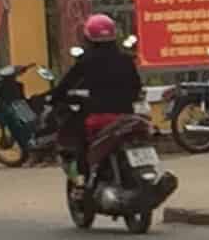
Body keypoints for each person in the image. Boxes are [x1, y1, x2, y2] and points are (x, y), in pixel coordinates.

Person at [50, 14, 143, 190]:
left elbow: (66, 84)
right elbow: (136, 86)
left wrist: (55, 97)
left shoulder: (86, 61)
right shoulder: (125, 59)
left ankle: (82, 183)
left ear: (88, 37)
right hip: (126, 114)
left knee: (79, 141)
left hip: (98, 115)